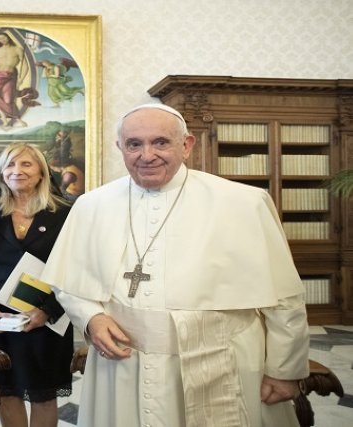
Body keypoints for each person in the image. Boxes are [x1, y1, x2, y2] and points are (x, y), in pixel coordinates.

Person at [41, 104, 310, 426]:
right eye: (134, 144)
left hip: (223, 362)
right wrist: (92, 318)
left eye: (161, 142)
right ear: (120, 148)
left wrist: (285, 370)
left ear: (186, 145)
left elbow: (285, 300)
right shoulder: (91, 205)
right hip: (123, 365)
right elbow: (68, 282)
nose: (147, 154)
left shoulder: (244, 203)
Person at [0, 143, 73, 427]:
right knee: (7, 391)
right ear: (1, 172)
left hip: (47, 318)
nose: (18, 171)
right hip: (1, 319)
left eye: (27, 164)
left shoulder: (66, 212)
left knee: (43, 395)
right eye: (11, 164)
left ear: (41, 173)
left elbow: (76, 270)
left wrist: (45, 312)